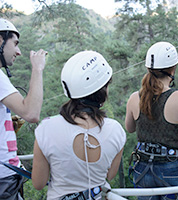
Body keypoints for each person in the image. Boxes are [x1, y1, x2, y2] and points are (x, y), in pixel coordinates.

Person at [31, 51, 126, 200]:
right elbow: (110, 175)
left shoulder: (47, 128)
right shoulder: (116, 131)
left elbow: (38, 183)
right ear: (103, 89)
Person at [125, 41, 178, 200]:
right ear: (173, 68)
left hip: (142, 168)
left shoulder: (135, 98)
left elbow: (130, 128)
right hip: (173, 170)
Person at [0, 18, 47, 200]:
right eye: (15, 43)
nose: (18, 52)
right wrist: (37, 69)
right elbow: (31, 113)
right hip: (4, 179)